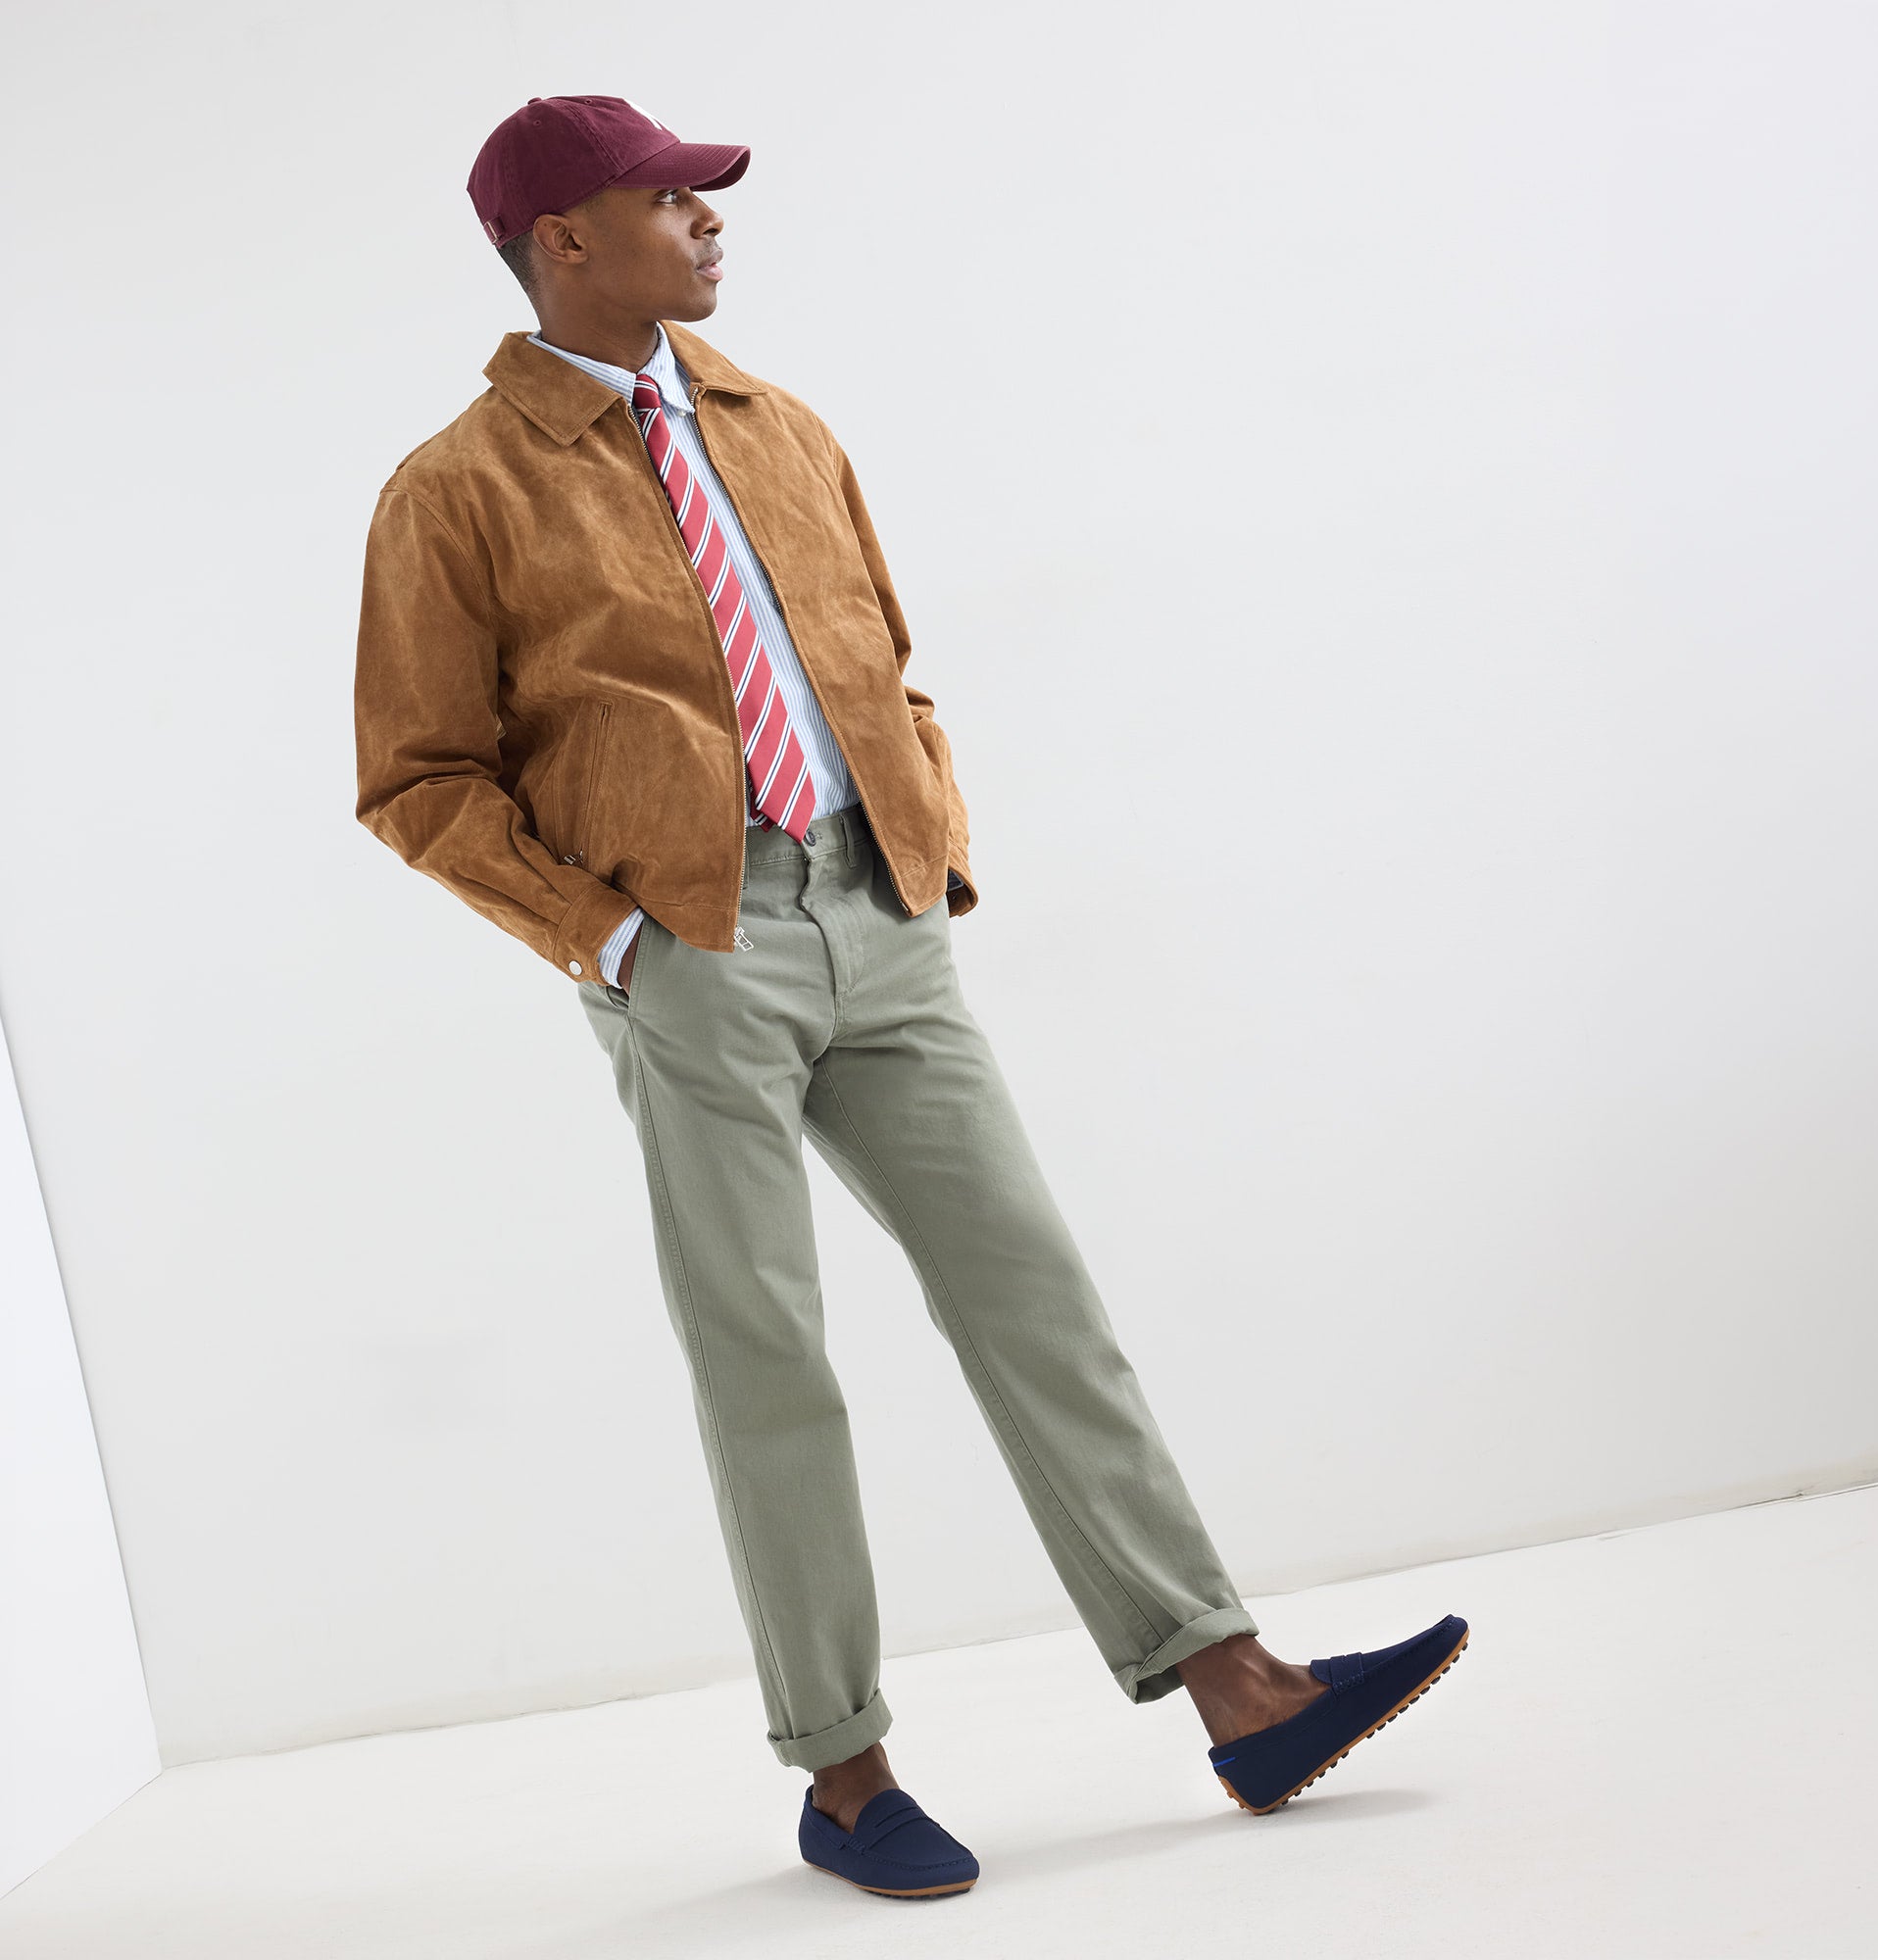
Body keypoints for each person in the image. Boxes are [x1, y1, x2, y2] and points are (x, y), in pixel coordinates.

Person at [352, 93, 1469, 1900]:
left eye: (704, 199)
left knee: (1036, 1299)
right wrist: (612, 942)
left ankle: (1238, 1686)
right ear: (565, 239)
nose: (709, 221)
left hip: (877, 911)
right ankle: (845, 1772)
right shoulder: (458, 489)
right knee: (770, 1358)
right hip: (690, 949)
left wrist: (923, 835)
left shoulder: (777, 424)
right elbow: (417, 779)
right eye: (668, 199)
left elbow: (882, 654)